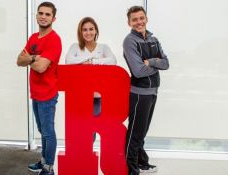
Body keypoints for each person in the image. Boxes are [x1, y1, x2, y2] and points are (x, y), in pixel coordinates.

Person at [16, 2, 62, 175]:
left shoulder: (54, 39)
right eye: (40, 13)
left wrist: (30, 58)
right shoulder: (33, 38)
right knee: (42, 131)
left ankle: (49, 168)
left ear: (53, 18)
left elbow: (42, 68)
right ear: (36, 16)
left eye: (47, 14)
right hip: (35, 93)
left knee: (48, 132)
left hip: (48, 94)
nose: (43, 16)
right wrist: (35, 57)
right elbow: (19, 61)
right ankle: (43, 162)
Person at [123, 6, 169, 175]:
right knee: (135, 134)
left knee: (142, 132)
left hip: (153, 91)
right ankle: (131, 169)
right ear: (129, 22)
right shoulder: (130, 41)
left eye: (141, 18)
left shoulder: (153, 39)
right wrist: (156, 63)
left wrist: (151, 62)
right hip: (139, 93)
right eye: (134, 19)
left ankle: (142, 163)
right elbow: (138, 71)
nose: (139, 22)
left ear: (146, 19)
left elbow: (166, 63)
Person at [65, 17, 117, 141]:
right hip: (79, 96)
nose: (88, 33)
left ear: (96, 31)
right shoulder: (75, 47)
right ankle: (80, 156)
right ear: (80, 32)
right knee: (78, 129)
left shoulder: (103, 47)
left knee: (91, 129)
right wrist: (86, 60)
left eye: (91, 29)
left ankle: (87, 156)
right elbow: (68, 61)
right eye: (85, 30)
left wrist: (93, 61)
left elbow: (113, 61)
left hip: (96, 97)